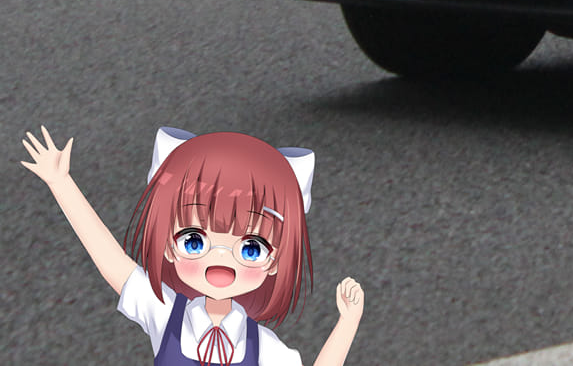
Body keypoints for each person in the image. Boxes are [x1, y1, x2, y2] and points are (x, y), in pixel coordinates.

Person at [21, 125, 364, 366]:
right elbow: (112, 262)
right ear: (169, 246)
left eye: (251, 248)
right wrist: (61, 183)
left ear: (275, 261)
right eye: (195, 240)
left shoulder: (264, 349)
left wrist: (347, 323)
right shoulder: (164, 313)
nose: (221, 260)